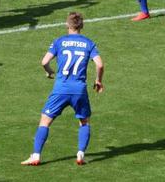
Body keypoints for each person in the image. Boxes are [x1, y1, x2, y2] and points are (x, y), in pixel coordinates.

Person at [21, 12, 104, 166]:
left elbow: (44, 61)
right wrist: (98, 80)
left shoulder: (59, 42)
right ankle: (80, 154)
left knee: (44, 122)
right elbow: (99, 64)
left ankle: (36, 155)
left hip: (60, 89)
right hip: (79, 90)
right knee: (84, 122)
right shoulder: (89, 43)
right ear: (82, 26)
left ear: (67, 25)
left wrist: (50, 71)